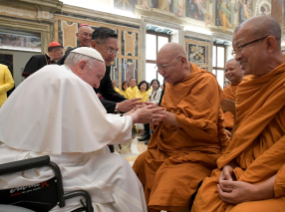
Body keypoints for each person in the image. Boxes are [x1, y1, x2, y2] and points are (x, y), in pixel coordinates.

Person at [0, 47, 165, 212]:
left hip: (15, 161)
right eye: (98, 76)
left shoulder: (49, 73)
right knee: (118, 167)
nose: (97, 84)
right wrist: (133, 118)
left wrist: (125, 117)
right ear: (82, 66)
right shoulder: (71, 82)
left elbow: (82, 124)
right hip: (41, 170)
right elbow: (98, 128)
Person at [191, 16, 285, 212]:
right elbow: (241, 139)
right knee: (206, 197)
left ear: (269, 44)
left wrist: (257, 191)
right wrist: (230, 165)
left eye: (241, 47)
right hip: (248, 172)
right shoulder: (247, 87)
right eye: (235, 51)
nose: (237, 56)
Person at [133, 43, 229, 212]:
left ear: (182, 61)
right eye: (158, 67)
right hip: (168, 147)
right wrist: (155, 114)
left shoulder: (205, 81)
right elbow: (169, 114)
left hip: (199, 150)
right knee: (141, 162)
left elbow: (205, 127)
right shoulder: (170, 82)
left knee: (172, 182)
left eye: (164, 67)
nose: (161, 72)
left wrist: (166, 116)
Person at [91, 27, 141, 113]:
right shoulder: (77, 61)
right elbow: (82, 98)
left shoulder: (106, 66)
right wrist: (117, 106)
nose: (113, 55)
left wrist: (132, 104)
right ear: (93, 45)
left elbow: (108, 92)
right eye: (110, 50)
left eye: (116, 51)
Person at [222, 59, 244, 133]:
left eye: (231, 69)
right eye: (226, 70)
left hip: (246, 127)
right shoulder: (224, 92)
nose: (228, 72)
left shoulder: (250, 86)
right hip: (226, 130)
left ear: (242, 68)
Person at [138, 79, 162, 144]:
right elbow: (149, 99)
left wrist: (149, 103)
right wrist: (146, 103)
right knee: (146, 119)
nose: (154, 85)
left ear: (158, 84)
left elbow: (158, 101)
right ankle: (147, 135)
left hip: (156, 108)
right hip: (150, 107)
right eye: (153, 84)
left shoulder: (160, 91)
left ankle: (152, 138)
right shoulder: (151, 91)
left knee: (153, 123)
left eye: (155, 84)